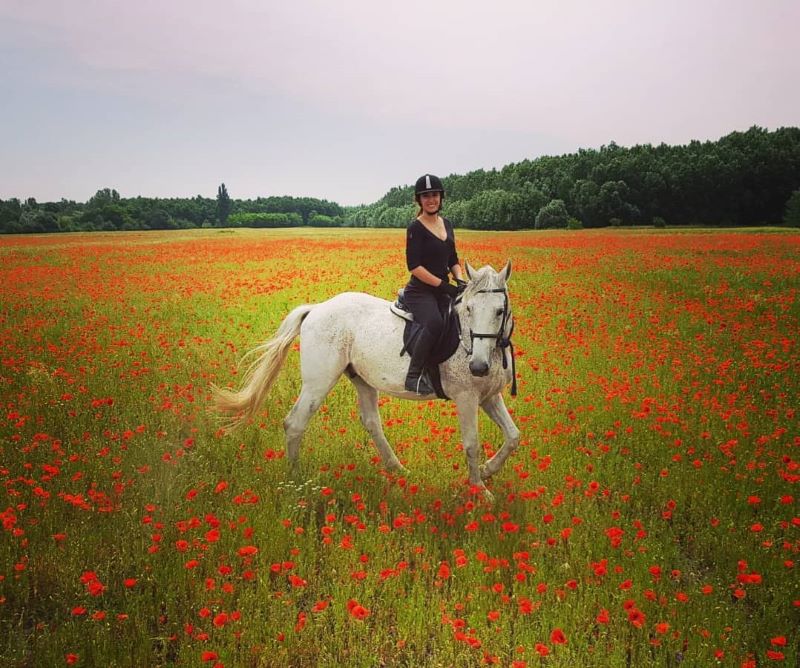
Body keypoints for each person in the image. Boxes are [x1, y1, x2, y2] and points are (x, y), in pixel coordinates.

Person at [403, 174, 465, 394]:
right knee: (435, 323)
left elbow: (453, 259)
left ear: (441, 197)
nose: (431, 199)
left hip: (442, 288)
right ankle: (413, 375)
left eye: (435, 195)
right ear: (419, 200)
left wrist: (460, 279)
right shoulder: (415, 228)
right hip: (419, 291)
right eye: (426, 196)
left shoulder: (446, 224)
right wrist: (442, 285)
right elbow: (414, 267)